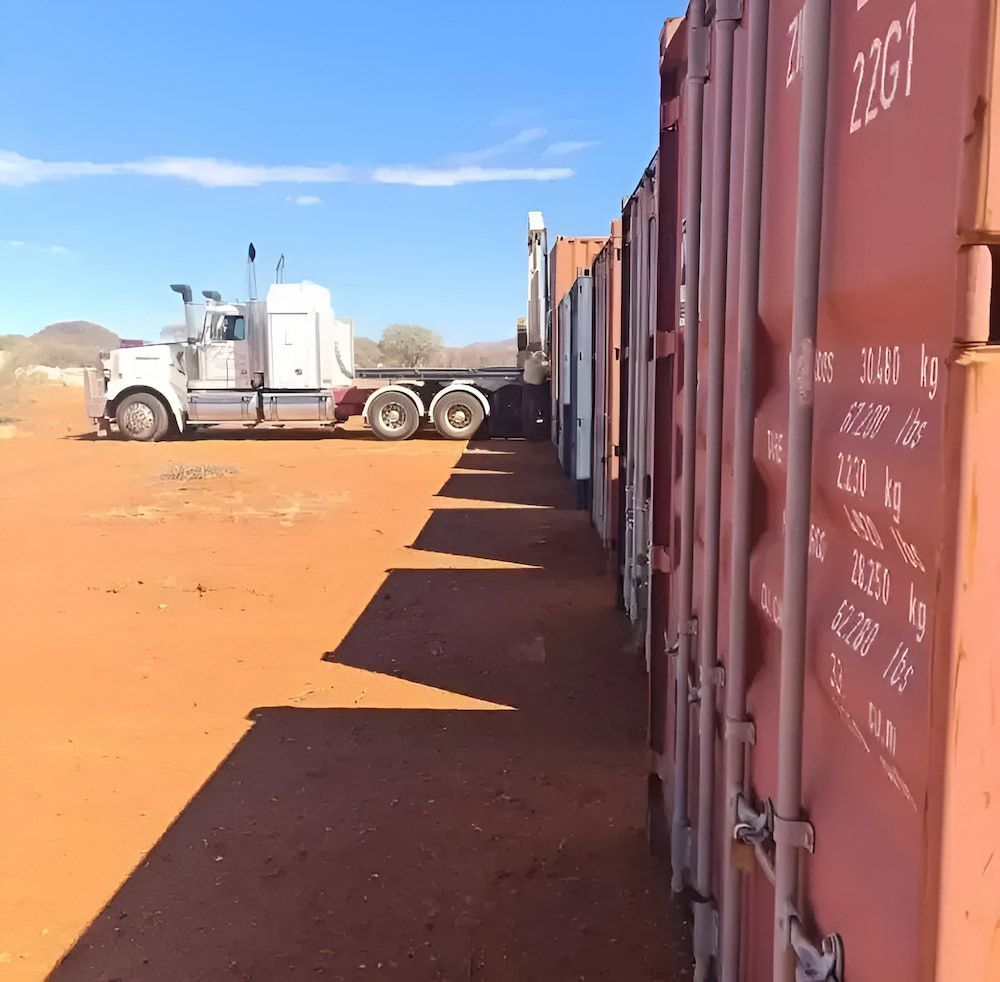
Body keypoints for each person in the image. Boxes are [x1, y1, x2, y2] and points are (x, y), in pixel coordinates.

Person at [521, 349, 551, 440]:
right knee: (536, 411)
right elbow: (548, 370)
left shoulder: (527, 362)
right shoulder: (542, 366)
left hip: (526, 388)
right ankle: (537, 434)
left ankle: (527, 433)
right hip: (536, 389)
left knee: (528, 412)